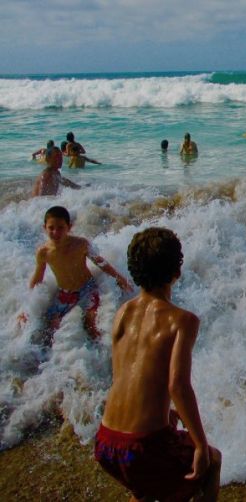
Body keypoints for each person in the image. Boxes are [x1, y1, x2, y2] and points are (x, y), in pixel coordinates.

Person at [95, 227, 221, 502]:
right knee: (211, 462)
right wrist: (199, 444)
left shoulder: (122, 313)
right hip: (143, 447)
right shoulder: (182, 320)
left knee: (144, 487)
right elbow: (177, 385)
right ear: (176, 271)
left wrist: (163, 417)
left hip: (106, 443)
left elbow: (124, 376)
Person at [27, 206, 133, 346]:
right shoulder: (43, 252)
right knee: (50, 328)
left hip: (87, 288)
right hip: (65, 294)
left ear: (69, 227)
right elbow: (38, 277)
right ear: (44, 227)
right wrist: (28, 306)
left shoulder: (80, 244)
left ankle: (104, 354)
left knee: (90, 323)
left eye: (61, 227)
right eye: (51, 228)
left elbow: (100, 262)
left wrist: (119, 278)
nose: (56, 232)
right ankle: (50, 362)